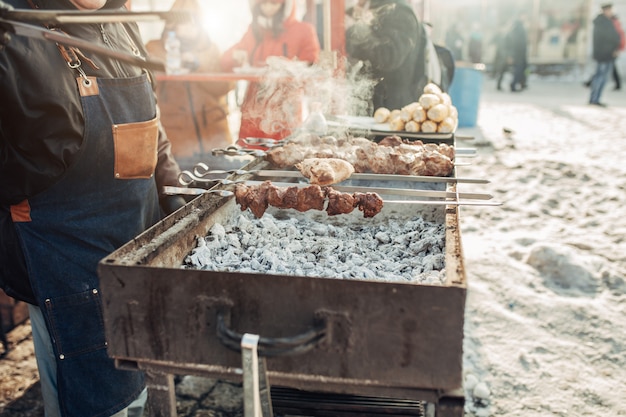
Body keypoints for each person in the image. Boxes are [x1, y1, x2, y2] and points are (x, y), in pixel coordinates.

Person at [0, 0, 186, 416]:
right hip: (66, 265)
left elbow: (150, 126)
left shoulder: (119, 21)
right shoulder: (13, 29)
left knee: (145, 392)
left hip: (138, 254)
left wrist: (173, 189)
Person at [145, 0, 234, 169]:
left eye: (193, 23)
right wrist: (171, 62)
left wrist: (197, 64)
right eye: (183, 22)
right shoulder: (154, 48)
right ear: (171, 23)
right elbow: (147, 81)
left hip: (215, 140)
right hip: (177, 143)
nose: (189, 28)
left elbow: (225, 86)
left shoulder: (211, 49)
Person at [220, 0, 321, 147]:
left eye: (273, 3)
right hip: (255, 104)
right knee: (252, 155)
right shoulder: (254, 30)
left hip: (286, 104)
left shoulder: (303, 30)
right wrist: (236, 55)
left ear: (284, 5)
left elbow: (311, 64)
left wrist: (288, 67)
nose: (268, 8)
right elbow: (225, 61)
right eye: (263, 3)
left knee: (285, 153)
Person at [345, 0, 452, 113]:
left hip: (391, 107)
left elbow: (389, 56)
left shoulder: (399, 11)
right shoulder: (376, 7)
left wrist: (354, 29)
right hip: (376, 104)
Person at [589, 3, 622, 106]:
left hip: (606, 53)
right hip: (604, 54)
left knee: (601, 76)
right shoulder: (603, 22)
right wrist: (615, 47)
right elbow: (610, 37)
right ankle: (595, 99)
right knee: (601, 77)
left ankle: (595, 98)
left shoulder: (604, 21)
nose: (611, 12)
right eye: (609, 10)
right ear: (605, 10)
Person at [507, 17, 528, 92]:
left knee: (522, 70)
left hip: (518, 55)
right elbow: (517, 44)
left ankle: (522, 83)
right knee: (520, 71)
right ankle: (514, 84)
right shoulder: (520, 30)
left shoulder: (514, 30)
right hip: (520, 55)